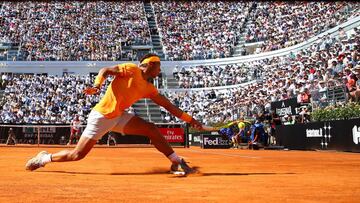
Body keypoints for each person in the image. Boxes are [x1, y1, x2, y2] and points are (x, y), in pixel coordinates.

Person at [25, 53, 203, 175]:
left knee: (151, 129)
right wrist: (97, 86)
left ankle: (175, 161)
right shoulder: (131, 69)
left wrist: (191, 120)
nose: (159, 70)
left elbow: (170, 106)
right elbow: (105, 70)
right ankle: (44, 158)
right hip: (102, 116)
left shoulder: (149, 88)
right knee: (77, 155)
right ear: (148, 65)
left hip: (119, 116)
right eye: (158, 66)